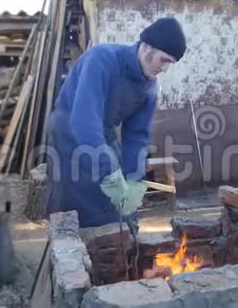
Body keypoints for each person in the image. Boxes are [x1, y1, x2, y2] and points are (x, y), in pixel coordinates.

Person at [44, 17, 187, 228]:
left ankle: (126, 245)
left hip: (103, 131)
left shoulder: (149, 88)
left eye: (170, 64)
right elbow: (85, 119)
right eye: (164, 60)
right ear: (147, 47)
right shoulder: (102, 59)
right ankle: (79, 249)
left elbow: (137, 136)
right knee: (82, 199)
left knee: (120, 205)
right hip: (69, 129)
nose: (165, 69)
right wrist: (109, 170)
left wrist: (133, 178)